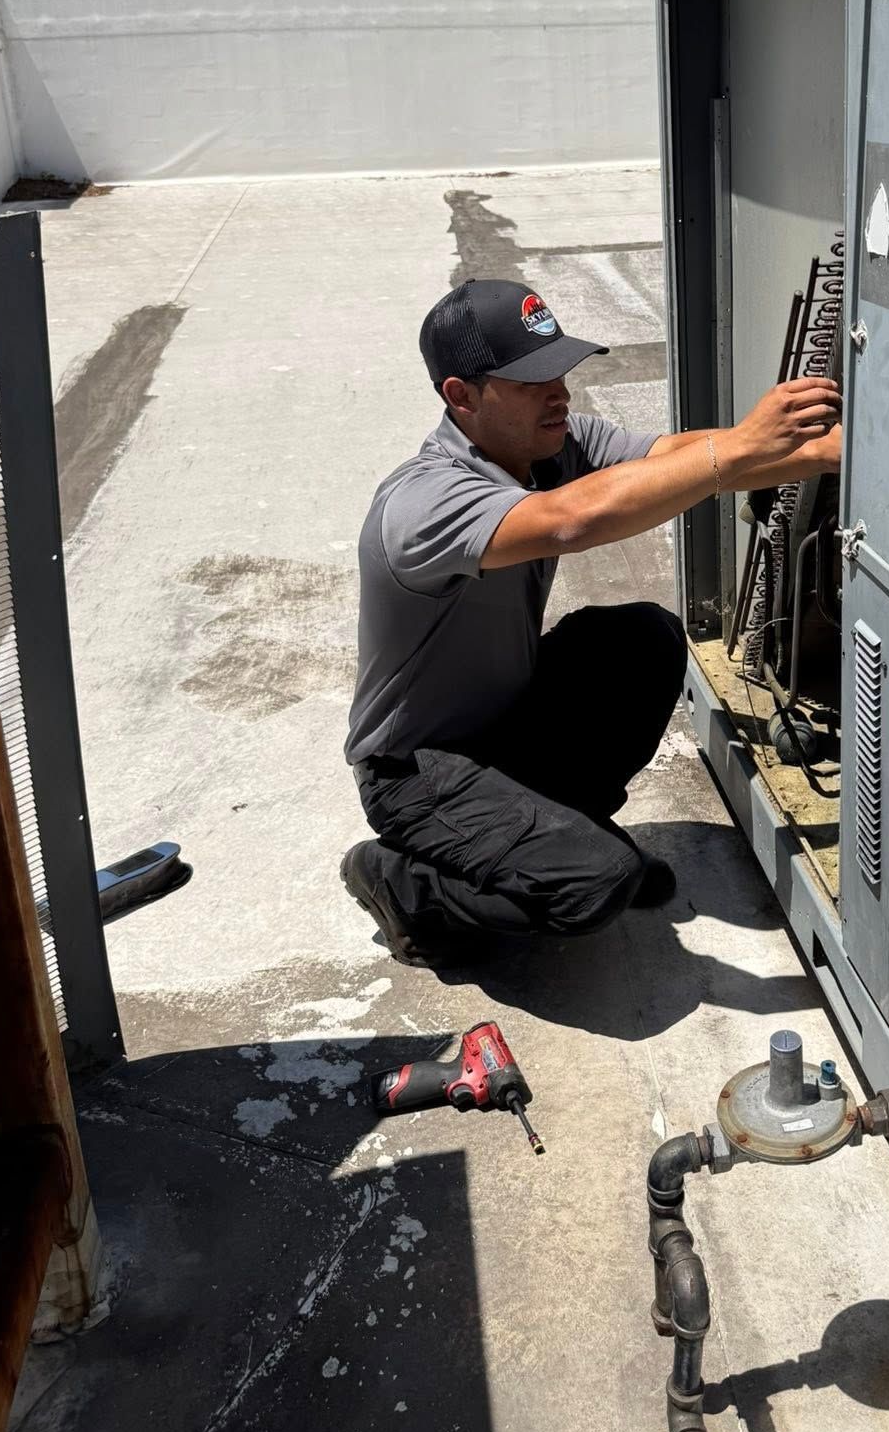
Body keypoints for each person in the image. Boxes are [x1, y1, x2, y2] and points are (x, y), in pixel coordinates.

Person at [341, 276, 841, 965]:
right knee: (593, 887)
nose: (560, 393)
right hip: (418, 772)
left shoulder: (546, 446)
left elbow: (675, 459)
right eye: (531, 380)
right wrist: (740, 451)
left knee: (643, 639)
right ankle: (402, 884)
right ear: (461, 396)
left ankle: (566, 828)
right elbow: (573, 521)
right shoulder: (425, 502)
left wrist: (816, 451)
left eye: (561, 371)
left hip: (504, 723)